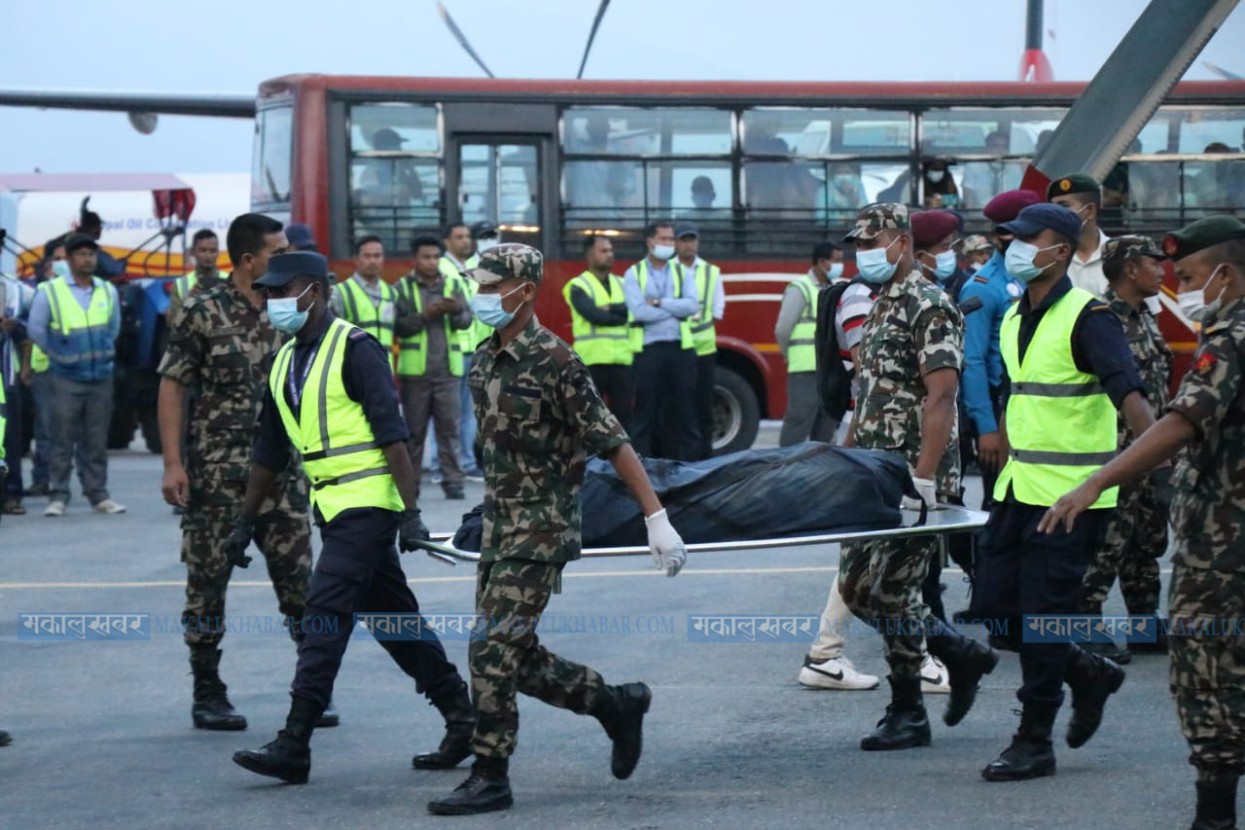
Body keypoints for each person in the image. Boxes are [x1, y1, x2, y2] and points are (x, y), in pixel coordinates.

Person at [425, 243, 688, 816]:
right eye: (480, 285)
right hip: (499, 526)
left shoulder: (555, 361)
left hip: (541, 531)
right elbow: (494, 455)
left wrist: (656, 519)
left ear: (523, 290)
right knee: (514, 656)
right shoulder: (485, 358)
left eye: (492, 286)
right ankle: (615, 703)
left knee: (490, 650)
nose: (482, 296)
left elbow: (613, 441)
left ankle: (491, 773)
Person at [229, 251, 473, 785]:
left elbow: (394, 434)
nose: (271, 301)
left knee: (324, 612)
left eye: (281, 290)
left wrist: (409, 514)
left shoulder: (356, 348)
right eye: (266, 292)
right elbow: (269, 451)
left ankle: (295, 741)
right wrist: (243, 521)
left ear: (313, 291)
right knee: (392, 619)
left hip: (369, 504)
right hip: (332, 507)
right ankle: (463, 716)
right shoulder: (284, 361)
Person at [1040, 215, 1245, 830]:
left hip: (1223, 544)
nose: (1180, 286)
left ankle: (1213, 818)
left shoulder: (1232, 335)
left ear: (1226, 274)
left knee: (1205, 672)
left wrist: (1096, 480)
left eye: (1188, 275)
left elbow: (1182, 421)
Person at [973, 203, 1156, 782]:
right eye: (1014, 239)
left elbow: (1133, 399)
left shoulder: (1089, 317)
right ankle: (1088, 671)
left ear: (1065, 252)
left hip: (1072, 501)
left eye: (1032, 239)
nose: (1017, 248)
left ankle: (1034, 741)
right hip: (1017, 489)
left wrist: (1149, 463)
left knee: (1043, 619)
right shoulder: (1010, 315)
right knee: (998, 611)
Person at [157, 213, 329, 731]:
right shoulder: (204, 311)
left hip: (283, 475)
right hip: (217, 474)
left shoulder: (293, 308)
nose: (287, 258)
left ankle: (310, 692)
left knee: (301, 586)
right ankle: (207, 691)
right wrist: (173, 463)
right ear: (250, 260)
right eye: (277, 252)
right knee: (207, 584)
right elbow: (172, 384)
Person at [839, 203, 998, 752]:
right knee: (857, 588)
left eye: (873, 240)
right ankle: (957, 649)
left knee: (895, 587)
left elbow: (942, 394)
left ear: (903, 242)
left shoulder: (931, 304)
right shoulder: (882, 302)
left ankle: (907, 709)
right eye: (858, 242)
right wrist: (845, 459)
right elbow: (867, 395)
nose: (863, 251)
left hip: (914, 475)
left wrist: (925, 481)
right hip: (872, 472)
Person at [1078, 236, 1174, 664]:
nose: (1162, 270)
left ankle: (1143, 623)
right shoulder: (1101, 319)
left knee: (1146, 539)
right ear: (1131, 269)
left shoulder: (1146, 316)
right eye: (1154, 263)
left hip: (1151, 448)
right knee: (1107, 540)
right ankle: (1085, 624)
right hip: (1114, 450)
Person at [26, 233, 125, 517]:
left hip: (100, 376)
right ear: (68, 260)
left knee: (96, 439)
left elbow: (113, 328)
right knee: (61, 437)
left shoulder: (106, 290)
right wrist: (60, 354)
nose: (88, 259)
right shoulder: (50, 291)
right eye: (81, 254)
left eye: (91, 254)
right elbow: (36, 330)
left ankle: (98, 495)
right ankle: (58, 495)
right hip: (65, 377)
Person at [395, 235, 472, 500]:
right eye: (426, 257)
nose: (431, 262)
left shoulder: (452, 284)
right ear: (415, 258)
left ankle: (454, 483)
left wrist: (455, 311)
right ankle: (411, 484)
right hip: (416, 374)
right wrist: (426, 315)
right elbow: (399, 328)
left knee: (449, 430)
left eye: (435, 257)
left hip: (448, 372)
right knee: (414, 432)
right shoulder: (403, 288)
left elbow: (466, 321)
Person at [622, 221, 700, 460]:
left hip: (680, 349)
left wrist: (659, 303)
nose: (670, 244)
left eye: (671, 239)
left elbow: (692, 306)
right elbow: (638, 312)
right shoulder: (634, 273)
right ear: (650, 242)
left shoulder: (682, 272)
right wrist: (674, 309)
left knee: (684, 411)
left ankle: (687, 465)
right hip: (649, 351)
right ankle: (644, 466)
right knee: (646, 412)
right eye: (664, 239)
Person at [563, 235, 635, 430]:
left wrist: (609, 307)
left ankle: (621, 460)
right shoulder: (577, 286)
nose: (610, 255)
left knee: (623, 419)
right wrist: (621, 315)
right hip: (592, 361)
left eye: (611, 251)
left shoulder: (622, 283)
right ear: (589, 255)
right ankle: (593, 461)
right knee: (591, 418)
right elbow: (594, 315)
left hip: (622, 361)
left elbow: (635, 310)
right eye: (604, 251)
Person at [776, 241, 843, 446]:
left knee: (827, 422)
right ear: (822, 262)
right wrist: (789, 355)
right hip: (805, 368)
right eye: (837, 261)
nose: (842, 265)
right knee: (799, 420)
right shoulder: (800, 288)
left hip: (831, 369)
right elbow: (782, 329)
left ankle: (820, 471)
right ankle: (783, 468)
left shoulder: (837, 289)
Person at [673, 222, 724, 459]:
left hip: (704, 349)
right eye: (684, 239)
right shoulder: (668, 270)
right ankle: (682, 456)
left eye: (692, 239)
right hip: (677, 348)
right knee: (680, 405)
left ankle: (705, 457)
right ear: (676, 243)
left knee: (703, 406)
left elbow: (717, 310)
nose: (688, 244)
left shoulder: (711, 272)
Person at [21, 244, 66, 499]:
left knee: (66, 429)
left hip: (70, 368)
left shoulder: (80, 292)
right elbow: (30, 334)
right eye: (55, 260)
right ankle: (43, 478)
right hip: (45, 369)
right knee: (45, 427)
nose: (59, 265)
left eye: (63, 259)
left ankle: (60, 478)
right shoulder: (40, 292)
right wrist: (27, 366)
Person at [1, 261, 35, 515]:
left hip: (6, 374)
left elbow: (34, 327)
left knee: (9, 436)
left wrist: (15, 327)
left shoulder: (19, 290)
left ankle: (11, 493)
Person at [328, 235, 398, 352]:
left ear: (383, 259)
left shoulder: (392, 293)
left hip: (385, 366)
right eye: (367, 256)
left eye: (377, 256)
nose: (373, 261)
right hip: (355, 366)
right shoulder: (340, 292)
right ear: (356, 259)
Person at [1047, 173, 1110, 298]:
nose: (1056, 214)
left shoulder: (1121, 256)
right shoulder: (1049, 259)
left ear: (1090, 211)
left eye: (1064, 206)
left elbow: (1146, 313)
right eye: (1052, 208)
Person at [167, 230, 228, 331]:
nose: (208, 255)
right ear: (192, 252)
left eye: (213, 251)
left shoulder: (229, 280)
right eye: (203, 250)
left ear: (218, 253)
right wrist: (188, 301)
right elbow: (172, 322)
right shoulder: (180, 285)